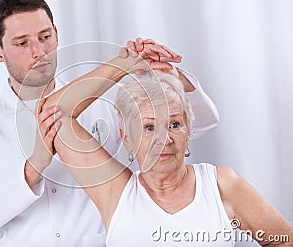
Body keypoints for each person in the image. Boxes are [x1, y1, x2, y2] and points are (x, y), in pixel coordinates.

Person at [0, 0, 219, 247]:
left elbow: (202, 123)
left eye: (45, 37)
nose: (38, 52)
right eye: (22, 43)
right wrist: (33, 167)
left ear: (56, 33)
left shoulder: (104, 103)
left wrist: (171, 75)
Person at [44, 45, 293, 246]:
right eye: (149, 127)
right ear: (127, 139)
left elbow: (283, 240)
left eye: (174, 124)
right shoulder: (116, 192)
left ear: (188, 132)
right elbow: (52, 112)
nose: (164, 138)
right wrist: (124, 64)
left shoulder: (221, 184)